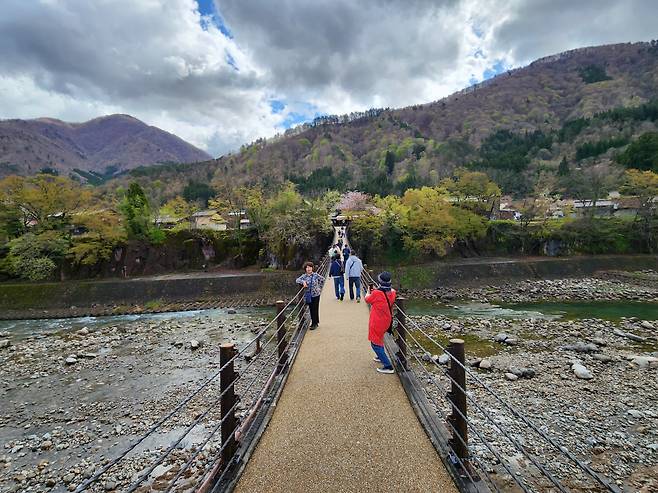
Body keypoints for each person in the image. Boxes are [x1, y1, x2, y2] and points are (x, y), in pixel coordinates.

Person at [365, 272, 397, 374]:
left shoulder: (376, 293)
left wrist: (368, 291)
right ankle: (380, 356)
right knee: (379, 338)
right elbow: (388, 291)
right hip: (387, 321)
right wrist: (376, 290)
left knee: (375, 343)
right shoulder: (392, 293)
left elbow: (367, 299)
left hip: (377, 322)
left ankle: (388, 366)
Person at [296, 261, 325, 330]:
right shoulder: (304, 276)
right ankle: (315, 322)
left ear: (312, 268)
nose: (308, 269)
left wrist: (319, 288)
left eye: (310, 267)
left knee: (315, 309)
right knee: (311, 309)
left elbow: (323, 280)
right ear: (305, 269)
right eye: (307, 267)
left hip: (316, 294)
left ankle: (314, 323)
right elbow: (297, 280)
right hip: (309, 295)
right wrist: (303, 282)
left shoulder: (315, 275)